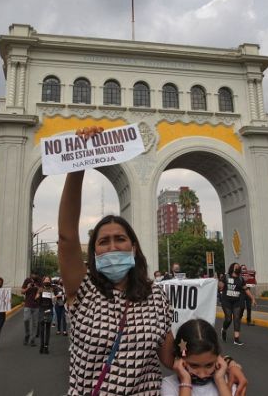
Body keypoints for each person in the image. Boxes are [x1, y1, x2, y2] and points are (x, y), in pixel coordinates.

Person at [58, 126, 248, 396]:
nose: (113, 245)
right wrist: (78, 163)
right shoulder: (83, 291)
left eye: (120, 239)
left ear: (133, 248)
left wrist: (225, 364)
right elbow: (66, 237)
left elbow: (172, 357)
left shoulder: (155, 296)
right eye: (103, 241)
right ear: (94, 253)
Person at [161, 318, 236, 396]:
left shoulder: (227, 382)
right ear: (180, 360)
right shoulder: (169, 386)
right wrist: (185, 380)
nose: (202, 375)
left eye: (209, 365)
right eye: (194, 365)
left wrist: (220, 380)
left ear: (218, 359)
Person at [218, 263, 252, 345]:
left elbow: (246, 289)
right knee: (229, 319)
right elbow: (220, 286)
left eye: (239, 267)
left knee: (236, 318)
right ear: (232, 268)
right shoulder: (226, 277)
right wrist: (220, 281)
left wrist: (252, 298)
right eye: (236, 266)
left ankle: (236, 339)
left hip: (237, 301)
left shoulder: (241, 279)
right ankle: (224, 329)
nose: (238, 267)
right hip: (226, 301)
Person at [36, 275, 56, 354]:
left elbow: (55, 301)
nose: (47, 281)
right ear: (43, 281)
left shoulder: (52, 289)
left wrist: (53, 297)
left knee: (48, 328)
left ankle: (46, 346)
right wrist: (39, 295)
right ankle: (41, 345)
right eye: (46, 280)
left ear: (50, 281)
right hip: (42, 309)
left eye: (48, 280)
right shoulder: (40, 289)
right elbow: (36, 298)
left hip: (49, 309)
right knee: (42, 329)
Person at [22, 273, 41, 346]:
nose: (34, 275)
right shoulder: (27, 280)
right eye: (33, 274)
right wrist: (28, 287)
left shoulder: (39, 281)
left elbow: (42, 290)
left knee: (35, 323)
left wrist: (37, 287)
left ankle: (32, 339)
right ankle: (27, 334)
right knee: (26, 319)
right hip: (28, 304)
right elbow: (22, 291)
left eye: (35, 274)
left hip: (36, 305)